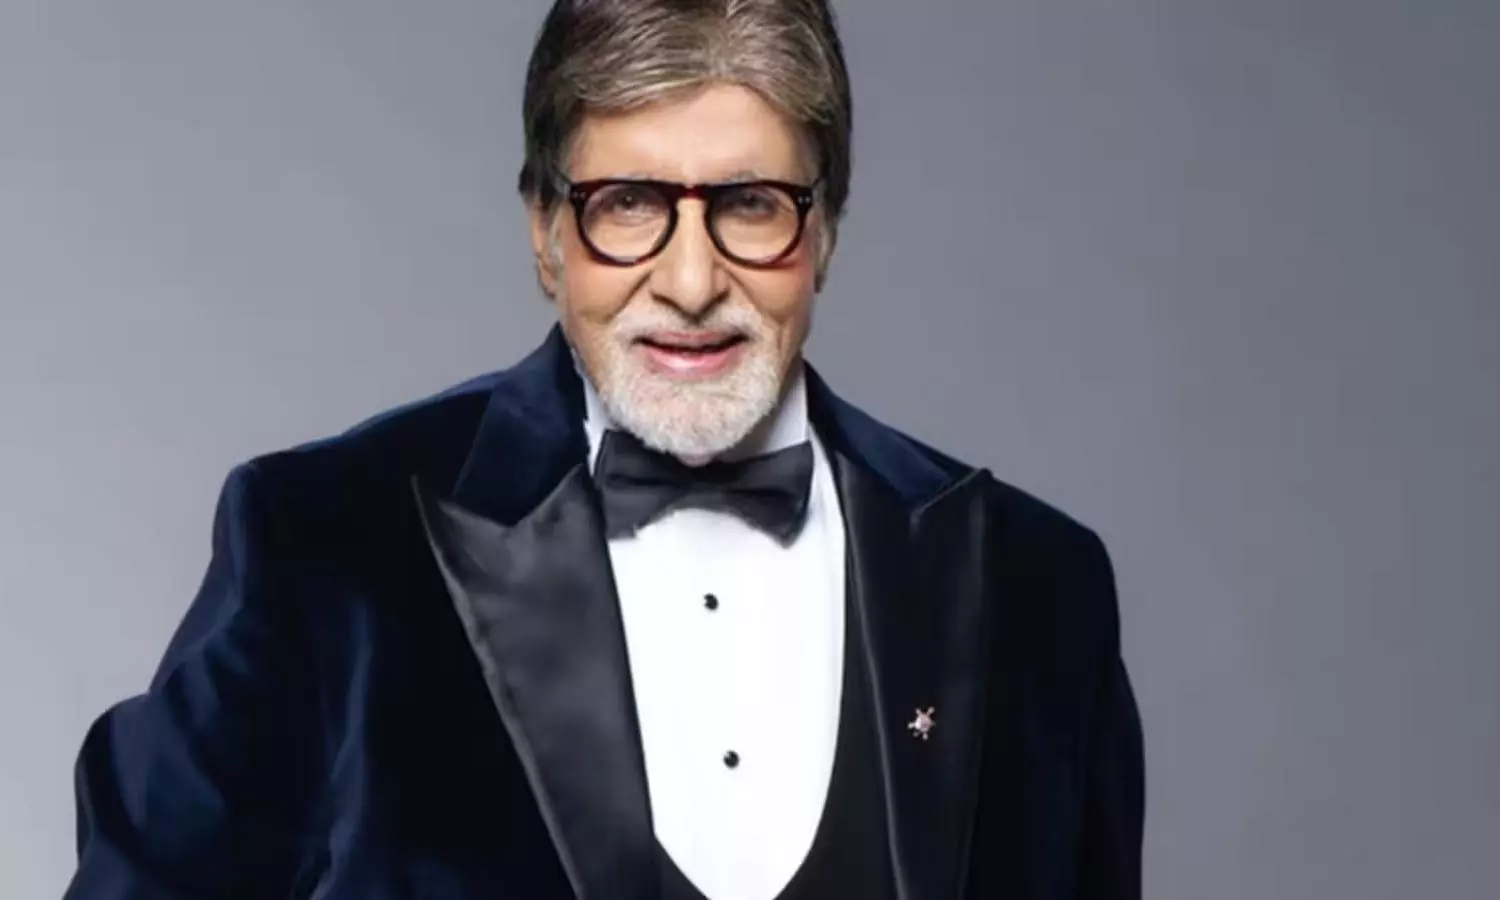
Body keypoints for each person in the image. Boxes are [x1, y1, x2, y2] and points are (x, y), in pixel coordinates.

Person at [65, 2, 1144, 898]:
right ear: (546, 234)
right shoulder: (324, 549)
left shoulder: (1040, 588)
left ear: (823, 232)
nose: (690, 281)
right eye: (627, 205)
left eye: (751, 205)